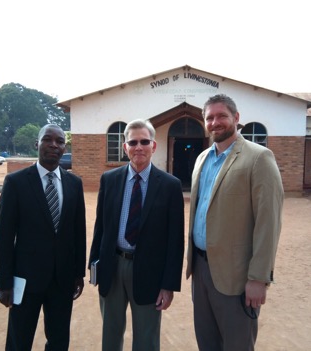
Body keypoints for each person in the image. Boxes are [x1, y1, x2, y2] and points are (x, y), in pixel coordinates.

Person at [185, 94, 284, 351]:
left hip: (237, 276)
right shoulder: (202, 160)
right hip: (201, 269)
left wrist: (259, 278)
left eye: (221, 116)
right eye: (209, 117)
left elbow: (268, 222)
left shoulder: (259, 158)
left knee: (237, 344)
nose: (215, 122)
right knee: (207, 342)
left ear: (236, 118)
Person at [89, 119, 185, 351]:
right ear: (125, 147)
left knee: (146, 339)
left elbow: (175, 241)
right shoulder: (109, 180)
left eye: (144, 141)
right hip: (112, 267)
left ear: (154, 146)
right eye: (133, 142)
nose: (138, 147)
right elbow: (100, 227)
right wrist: (95, 266)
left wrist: (168, 284)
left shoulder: (170, 186)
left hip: (149, 272)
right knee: (110, 334)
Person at [0, 124, 86, 350]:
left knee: (58, 340)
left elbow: (78, 232)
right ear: (37, 144)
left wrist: (78, 273)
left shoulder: (74, 184)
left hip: (62, 280)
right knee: (19, 340)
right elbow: (5, 237)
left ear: (64, 148)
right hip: (25, 280)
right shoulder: (16, 183)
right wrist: (4, 282)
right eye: (48, 139)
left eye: (60, 141)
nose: (54, 145)